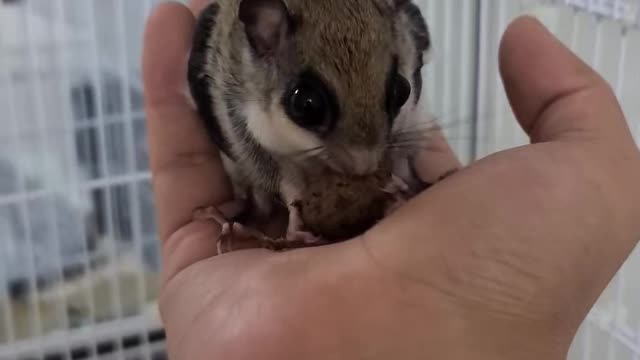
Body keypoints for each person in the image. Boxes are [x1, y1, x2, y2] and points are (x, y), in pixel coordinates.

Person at [142, 1, 640, 359]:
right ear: (263, 38)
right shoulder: (249, 65)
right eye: (309, 106)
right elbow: (248, 127)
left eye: (394, 93)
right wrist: (287, 191)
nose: (362, 162)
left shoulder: (396, 33)